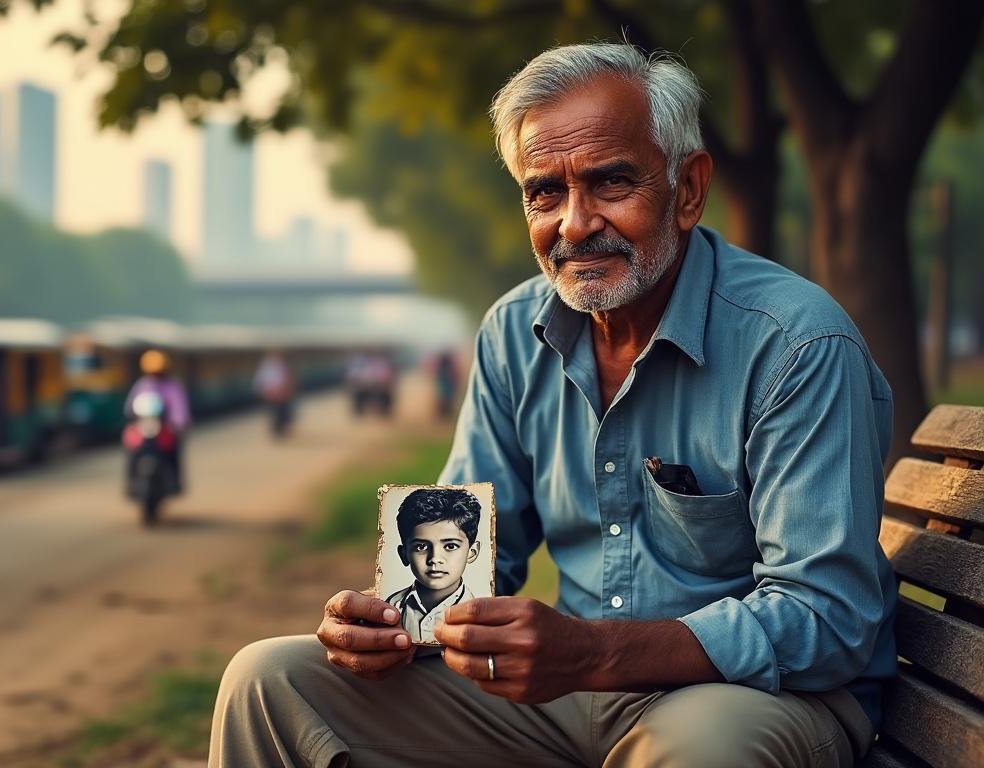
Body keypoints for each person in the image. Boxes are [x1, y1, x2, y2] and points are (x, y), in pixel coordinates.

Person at [210, 42, 895, 768]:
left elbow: (827, 618)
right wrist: (394, 621)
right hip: (571, 697)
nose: (573, 224)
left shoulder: (795, 345)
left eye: (610, 182)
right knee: (267, 681)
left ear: (688, 190)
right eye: (545, 192)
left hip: (758, 696)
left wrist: (593, 653)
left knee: (702, 751)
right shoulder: (513, 331)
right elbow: (471, 553)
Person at [383, 488, 481, 644]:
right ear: (404, 554)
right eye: (421, 547)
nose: (435, 559)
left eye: (450, 546)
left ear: (472, 552)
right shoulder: (391, 606)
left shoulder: (481, 614)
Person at [124, 349, 191, 490]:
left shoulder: (173, 386)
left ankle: (175, 481)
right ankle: (130, 482)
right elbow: (130, 406)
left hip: (165, 427)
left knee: (174, 451)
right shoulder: (141, 385)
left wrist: (177, 424)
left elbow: (179, 409)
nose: (155, 375)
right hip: (145, 427)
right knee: (130, 449)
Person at [253, 350, 296, 437]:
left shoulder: (280, 365)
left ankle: (281, 428)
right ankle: (277, 429)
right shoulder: (266, 366)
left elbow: (288, 378)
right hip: (272, 393)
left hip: (281, 392)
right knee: (275, 412)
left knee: (283, 412)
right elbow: (260, 380)